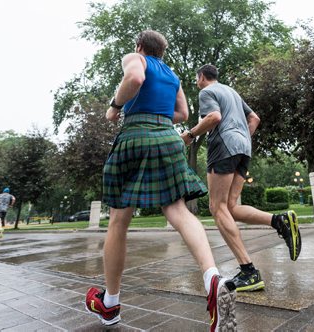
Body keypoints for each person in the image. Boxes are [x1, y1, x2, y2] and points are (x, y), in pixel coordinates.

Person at [85, 30, 236, 331]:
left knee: (119, 219)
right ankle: (212, 277)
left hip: (136, 137)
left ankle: (111, 303)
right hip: (168, 138)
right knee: (179, 210)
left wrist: (115, 107)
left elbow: (135, 79)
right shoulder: (172, 75)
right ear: (162, 52)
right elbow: (182, 113)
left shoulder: (135, 58)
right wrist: (160, 117)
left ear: (139, 46)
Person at [181, 64, 302, 292]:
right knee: (231, 207)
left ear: (202, 77)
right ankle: (280, 220)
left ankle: (248, 271)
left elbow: (214, 117)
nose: (197, 82)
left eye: (197, 79)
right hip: (244, 148)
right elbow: (254, 119)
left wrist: (189, 135)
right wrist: (241, 138)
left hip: (224, 147)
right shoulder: (232, 92)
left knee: (217, 208)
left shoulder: (207, 92)